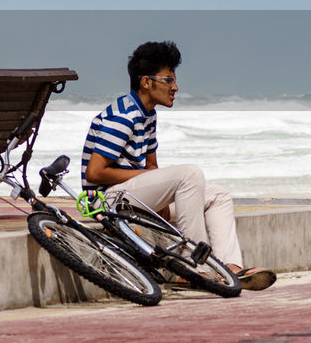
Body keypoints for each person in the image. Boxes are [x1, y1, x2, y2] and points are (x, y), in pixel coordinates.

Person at [81, 40, 276, 291]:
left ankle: (230, 266)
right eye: (168, 80)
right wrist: (154, 181)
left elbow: (153, 168)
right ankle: (195, 268)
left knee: (218, 195)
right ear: (146, 82)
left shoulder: (147, 114)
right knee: (190, 174)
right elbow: (94, 172)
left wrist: (159, 195)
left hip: (133, 196)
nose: (175, 87)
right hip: (106, 201)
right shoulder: (123, 116)